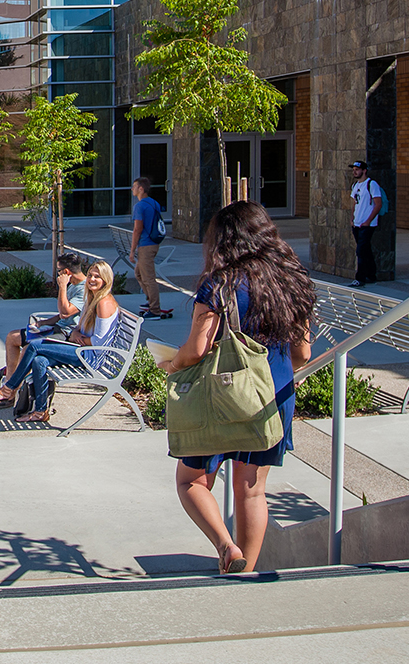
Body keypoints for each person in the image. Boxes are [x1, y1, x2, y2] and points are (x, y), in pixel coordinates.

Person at [167, 200, 315, 573]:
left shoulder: (220, 284)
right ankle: (245, 574)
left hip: (222, 394)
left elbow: (197, 350)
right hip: (272, 396)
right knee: (251, 490)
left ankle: (226, 545)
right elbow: (303, 353)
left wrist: (173, 363)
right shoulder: (292, 280)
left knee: (192, 481)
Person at [0, 257, 121, 423]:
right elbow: (79, 326)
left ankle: (8, 389)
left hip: (90, 356)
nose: (92, 279)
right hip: (81, 348)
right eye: (90, 275)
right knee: (39, 361)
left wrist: (79, 337)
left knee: (35, 347)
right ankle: (41, 412)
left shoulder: (103, 303)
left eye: (97, 277)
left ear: (106, 280)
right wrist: (76, 333)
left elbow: (100, 343)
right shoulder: (93, 298)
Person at [0, 252, 89, 382]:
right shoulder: (74, 285)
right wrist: (43, 323)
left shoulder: (83, 289)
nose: (58, 274)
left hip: (67, 334)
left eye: (59, 271)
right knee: (12, 337)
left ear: (66, 272)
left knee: (28, 348)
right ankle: (8, 380)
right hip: (57, 328)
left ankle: (13, 390)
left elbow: (66, 312)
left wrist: (62, 287)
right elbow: (62, 316)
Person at [131, 177, 172, 319]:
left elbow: (137, 229)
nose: (132, 189)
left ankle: (154, 309)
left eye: (134, 187)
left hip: (146, 245)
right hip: (154, 244)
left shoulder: (140, 206)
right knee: (139, 273)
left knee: (148, 278)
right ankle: (150, 300)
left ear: (140, 189)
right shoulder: (154, 203)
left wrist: (132, 250)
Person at [345, 160, 384, 288]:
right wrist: (352, 218)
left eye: (357, 169)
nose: (355, 171)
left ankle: (360, 278)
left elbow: (378, 204)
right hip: (356, 224)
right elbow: (354, 203)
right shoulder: (356, 185)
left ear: (364, 170)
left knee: (360, 251)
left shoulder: (371, 185)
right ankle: (371, 275)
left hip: (367, 225)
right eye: (354, 169)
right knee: (365, 250)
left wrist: (368, 221)